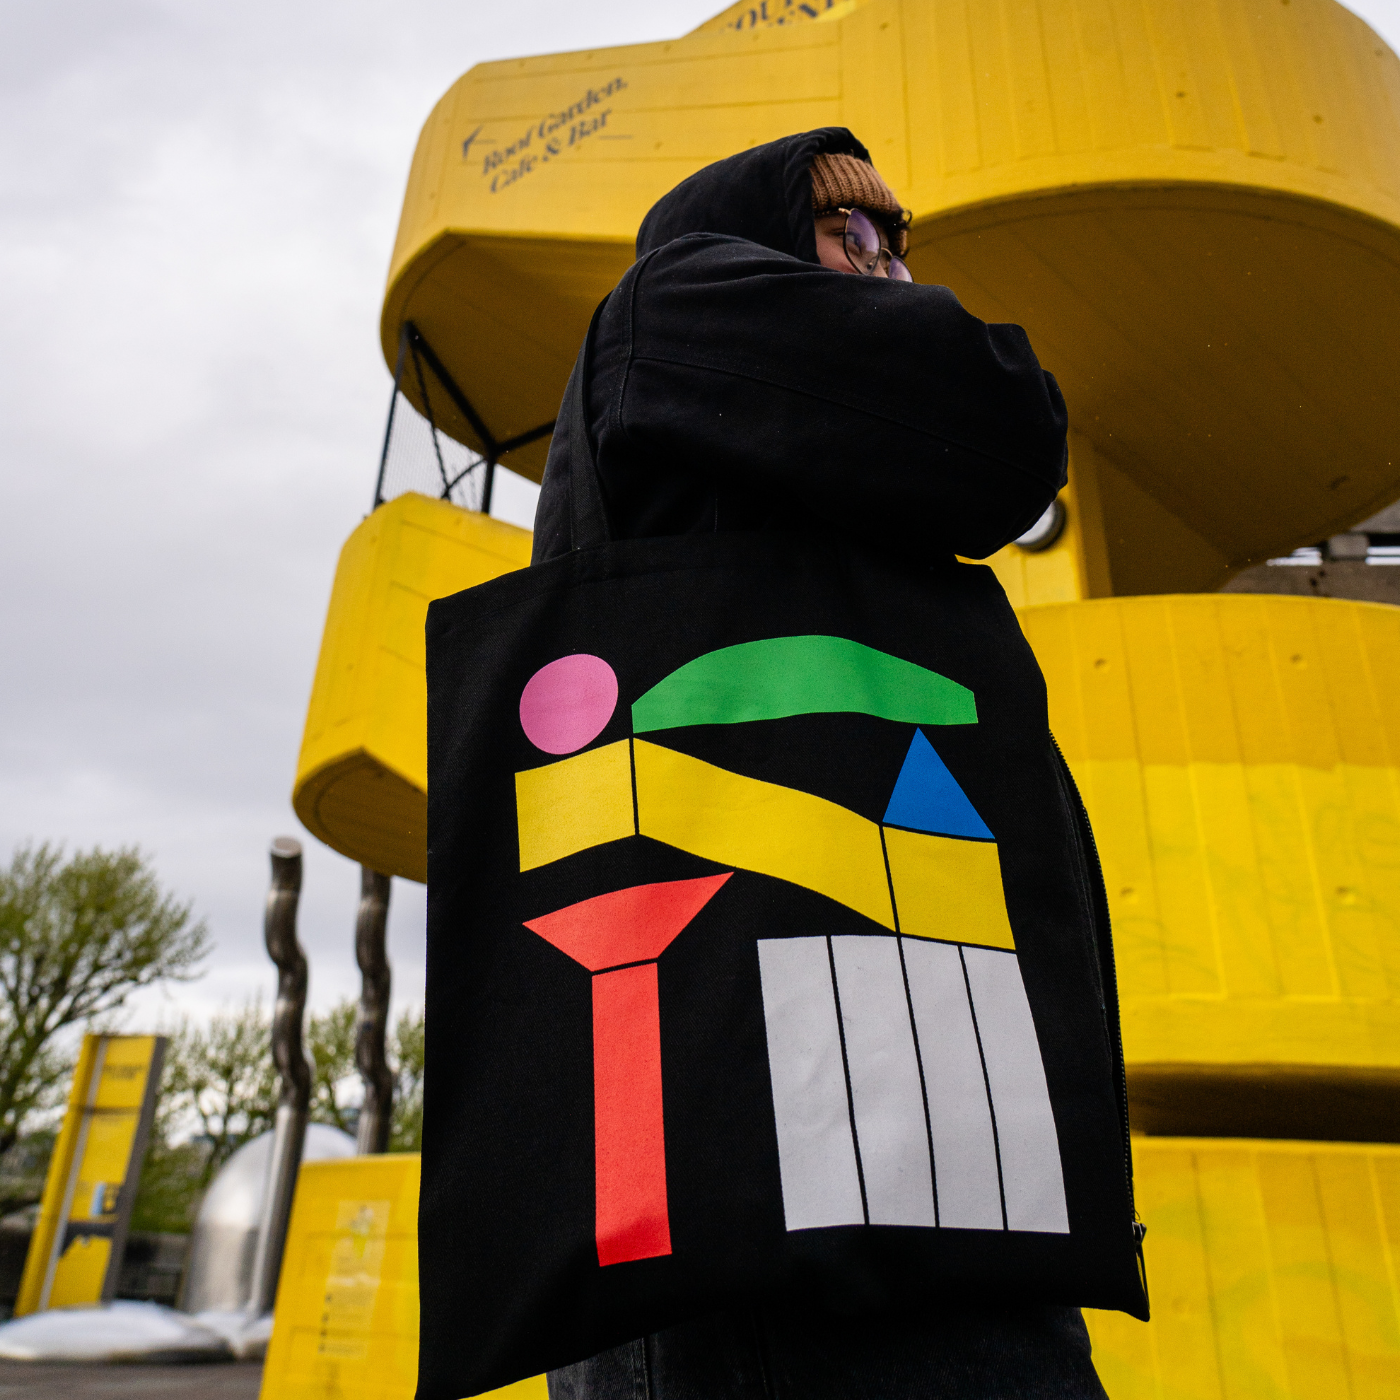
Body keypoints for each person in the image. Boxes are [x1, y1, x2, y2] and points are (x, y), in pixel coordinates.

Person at [536, 127, 1106, 1400]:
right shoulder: (670, 306)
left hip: (843, 1158)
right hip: (794, 1188)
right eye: (855, 236)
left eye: (900, 244)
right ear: (751, 254)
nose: (892, 271)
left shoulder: (744, 447)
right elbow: (1005, 421)